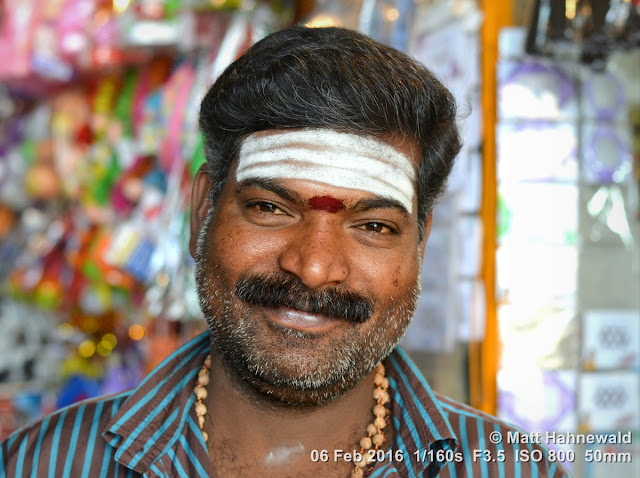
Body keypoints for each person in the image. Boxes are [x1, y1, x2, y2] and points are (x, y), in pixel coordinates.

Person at [1, 26, 569, 478]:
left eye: (372, 225)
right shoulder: (43, 464)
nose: (314, 266)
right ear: (203, 210)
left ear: (420, 244)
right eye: (272, 209)